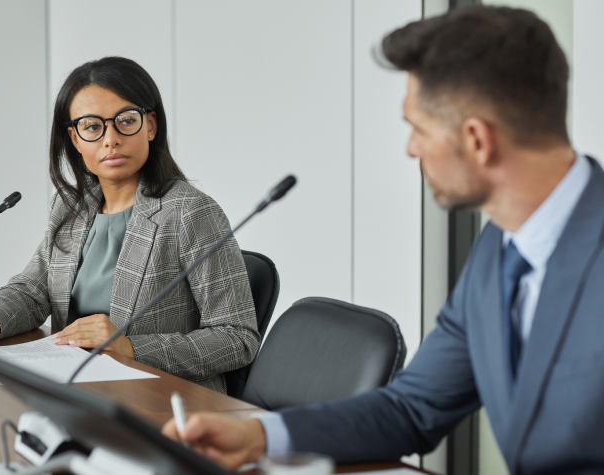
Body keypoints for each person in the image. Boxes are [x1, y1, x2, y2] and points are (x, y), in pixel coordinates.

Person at [163, 6, 604, 473]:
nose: (410, 148)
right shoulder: (500, 249)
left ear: (477, 140)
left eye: (418, 128)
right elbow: (413, 408)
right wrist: (260, 434)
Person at [0, 57, 260, 393]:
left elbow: (237, 337)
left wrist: (130, 348)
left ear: (150, 125)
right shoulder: (71, 206)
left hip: (163, 400)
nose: (110, 139)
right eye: (92, 127)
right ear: (75, 139)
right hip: (78, 391)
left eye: (125, 121)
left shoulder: (190, 212)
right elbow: (34, 291)